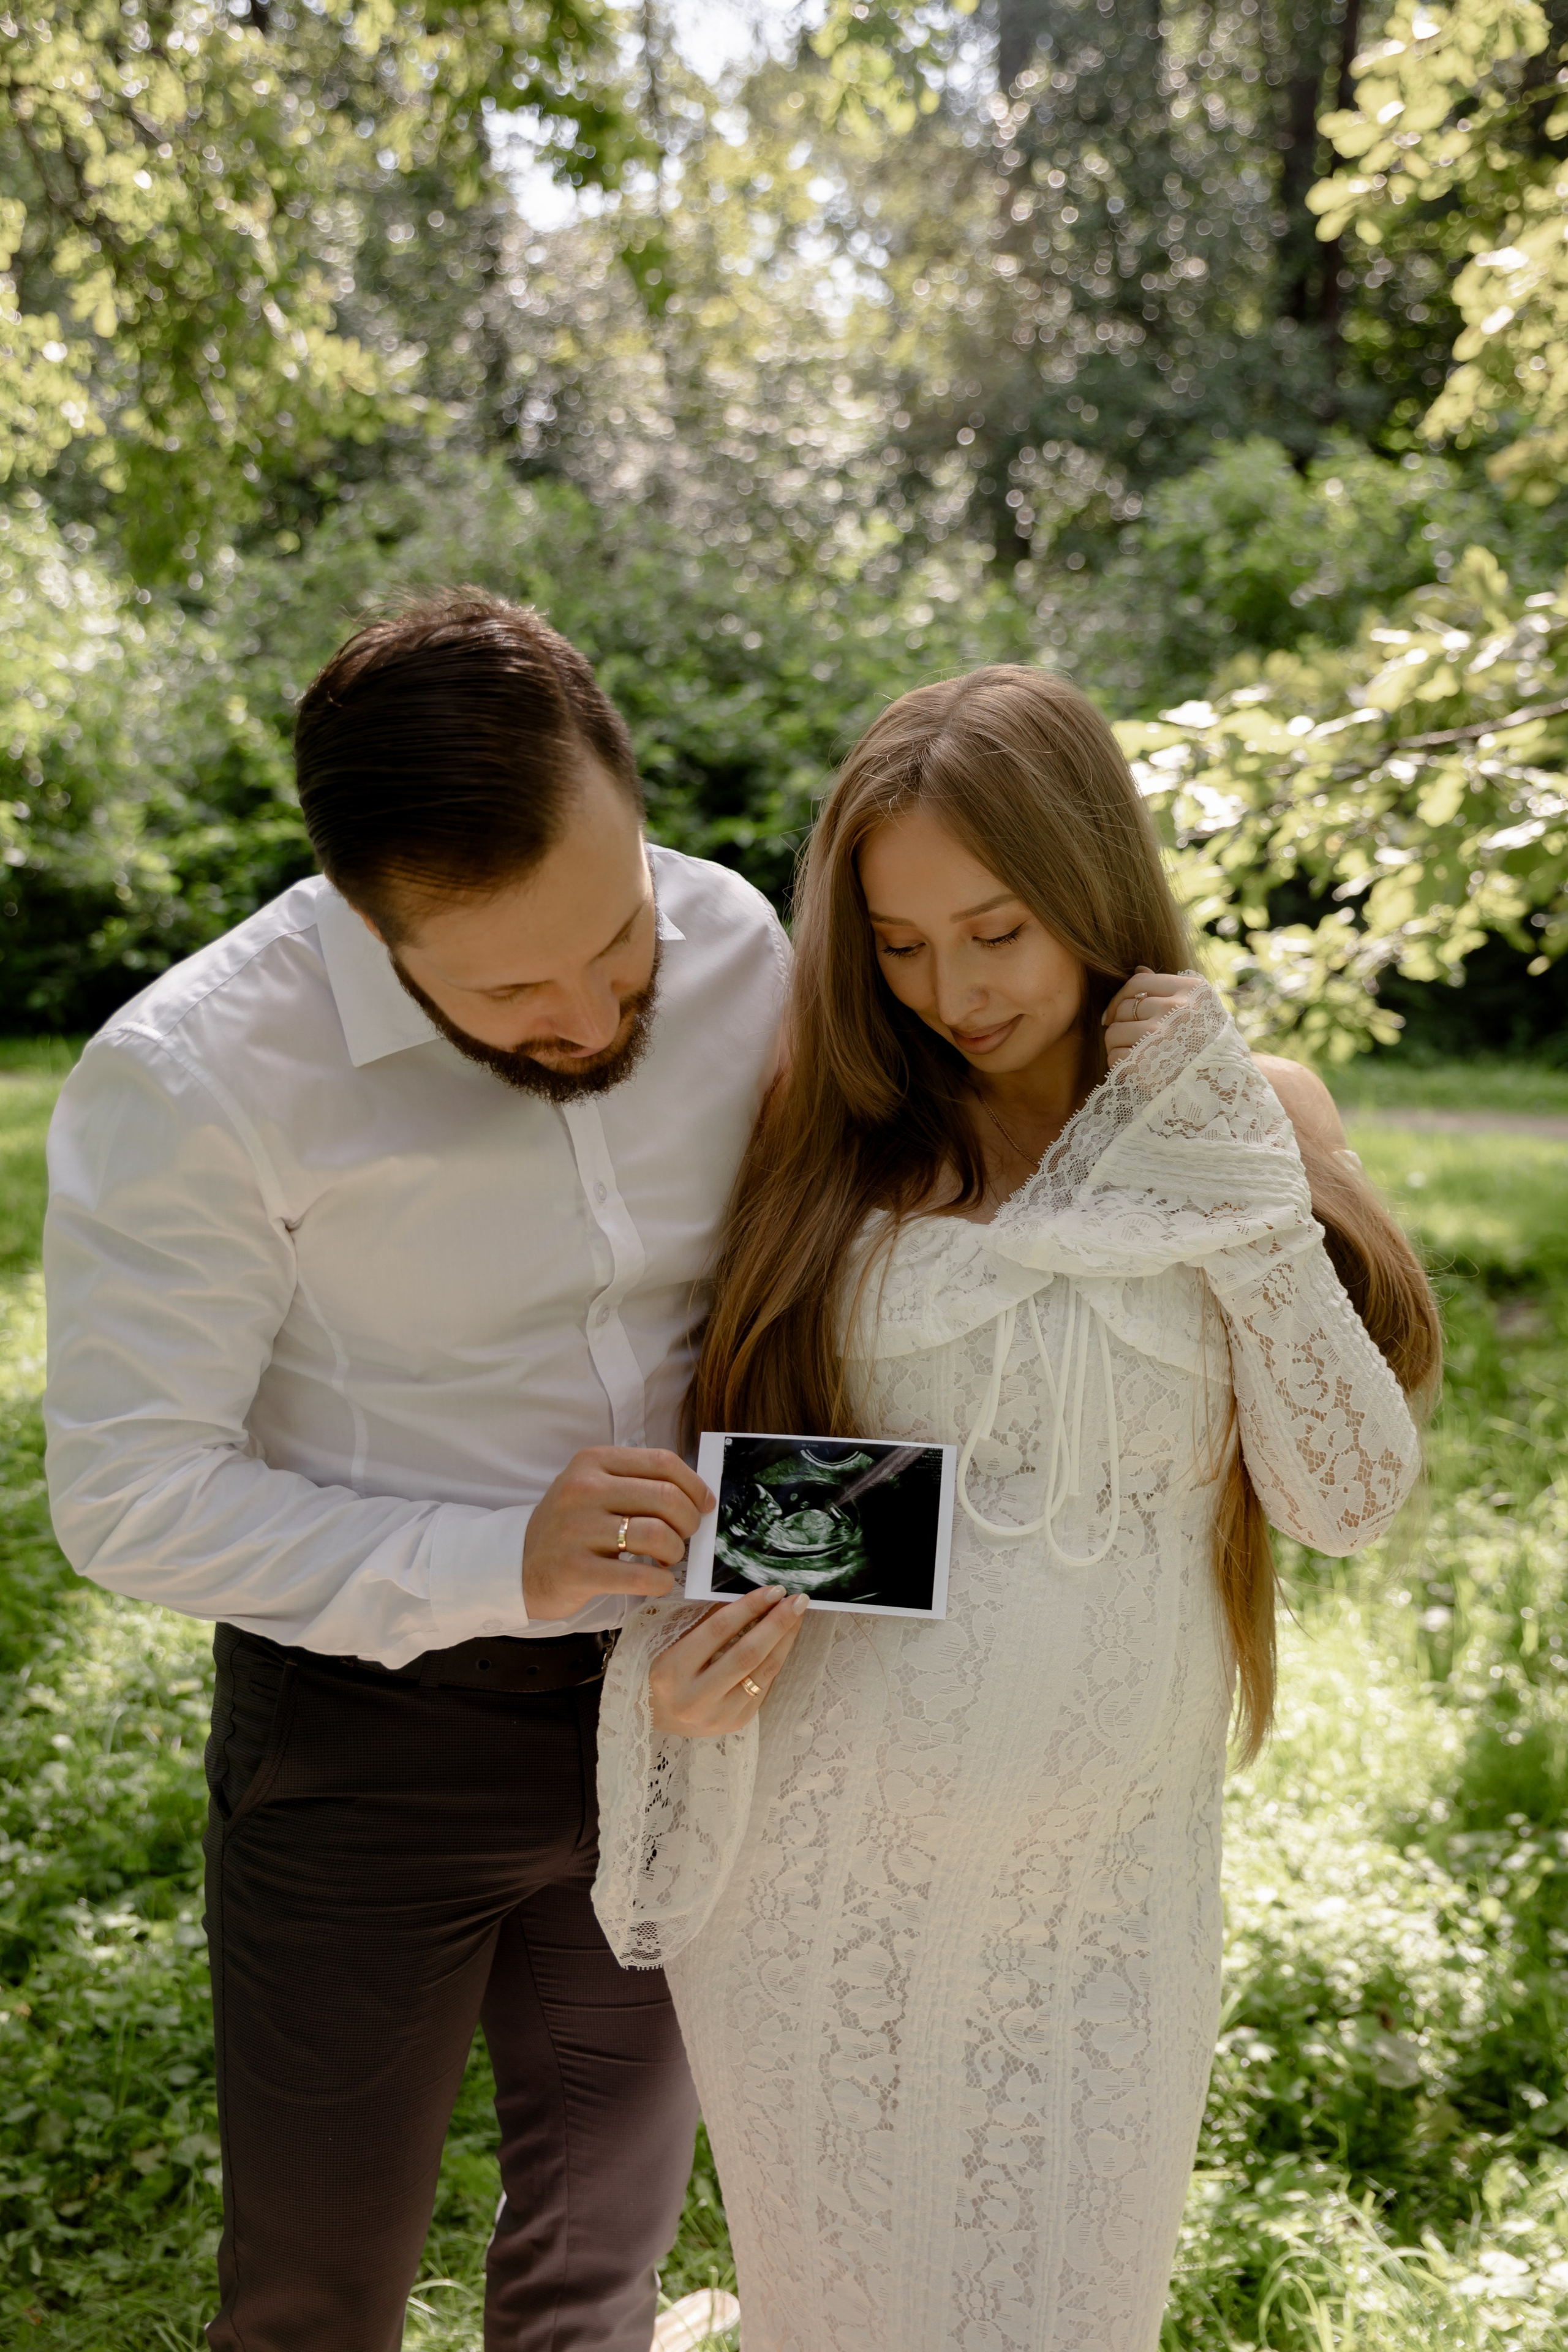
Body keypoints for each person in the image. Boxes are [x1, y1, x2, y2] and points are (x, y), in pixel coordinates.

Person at [592, 666, 1441, 2352]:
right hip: (822, 1890)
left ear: (1089, 888)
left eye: (995, 931)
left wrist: (1225, 1170)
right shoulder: (831, 1137)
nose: (950, 990)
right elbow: (761, 1495)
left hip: (1103, 1895)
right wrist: (673, 1677)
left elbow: (1346, 1496)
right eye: (900, 946)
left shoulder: (1250, 1121)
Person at [42, 590, 807, 2352]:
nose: (595, 1005)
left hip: (671, 1717)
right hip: (366, 1750)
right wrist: (502, 1564)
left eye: (616, 942)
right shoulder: (198, 1079)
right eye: (512, 986)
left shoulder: (741, 944)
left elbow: (821, 1272)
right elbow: (131, 1492)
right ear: (362, 920)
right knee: (318, 2294)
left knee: (598, 2271)